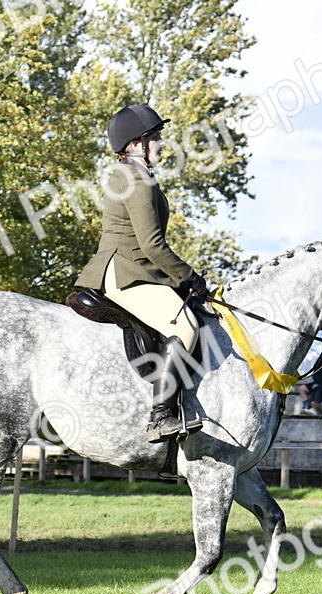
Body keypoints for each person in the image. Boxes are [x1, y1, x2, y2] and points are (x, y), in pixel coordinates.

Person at [74, 104, 210, 443]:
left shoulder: (134, 175)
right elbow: (152, 246)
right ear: (136, 144)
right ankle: (160, 416)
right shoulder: (135, 179)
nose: (163, 143)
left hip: (131, 267)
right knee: (187, 327)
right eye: (157, 137)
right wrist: (189, 276)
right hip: (127, 272)